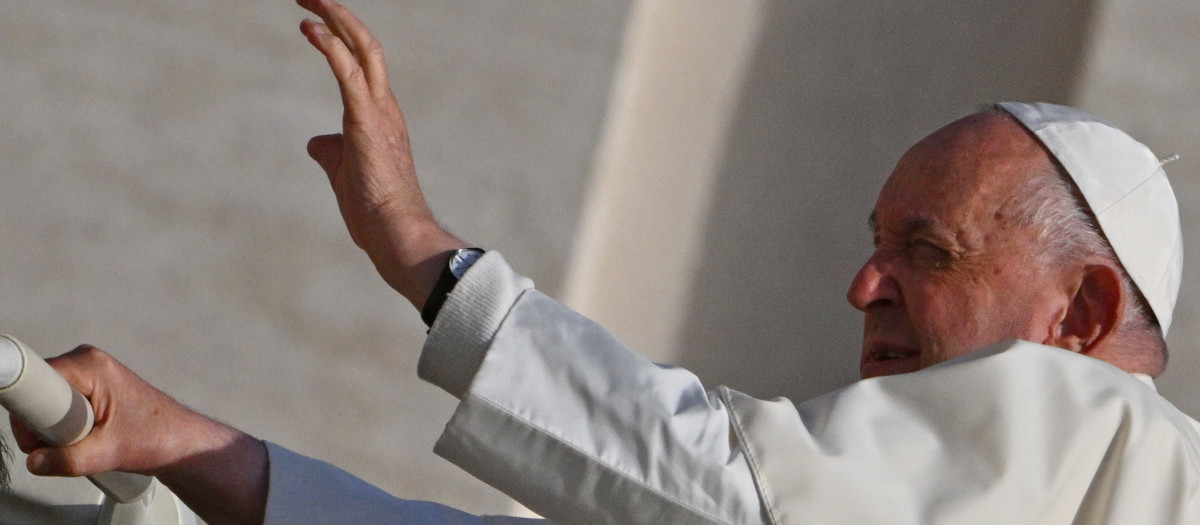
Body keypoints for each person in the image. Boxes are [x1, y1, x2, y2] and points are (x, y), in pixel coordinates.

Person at [10, 0, 1199, 524]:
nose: (861, 289)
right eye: (873, 245)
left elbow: (737, 497)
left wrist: (428, 258)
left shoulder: (1115, 438)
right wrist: (192, 448)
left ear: (1080, 314)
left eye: (924, 252)